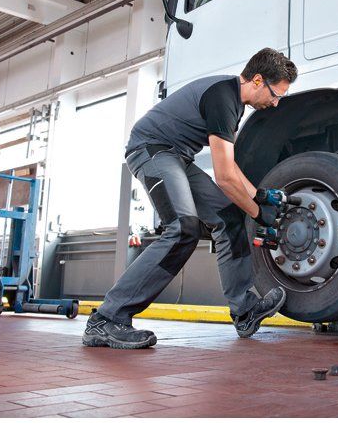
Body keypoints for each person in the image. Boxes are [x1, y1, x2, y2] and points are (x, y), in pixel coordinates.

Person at [82, 48, 299, 349]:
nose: (275, 103)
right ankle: (107, 319)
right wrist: (258, 213)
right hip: (151, 149)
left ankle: (245, 310)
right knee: (182, 228)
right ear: (258, 81)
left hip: (178, 157)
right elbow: (224, 178)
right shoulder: (223, 98)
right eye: (276, 95)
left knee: (229, 217)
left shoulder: (234, 103)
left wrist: (258, 195)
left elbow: (230, 165)